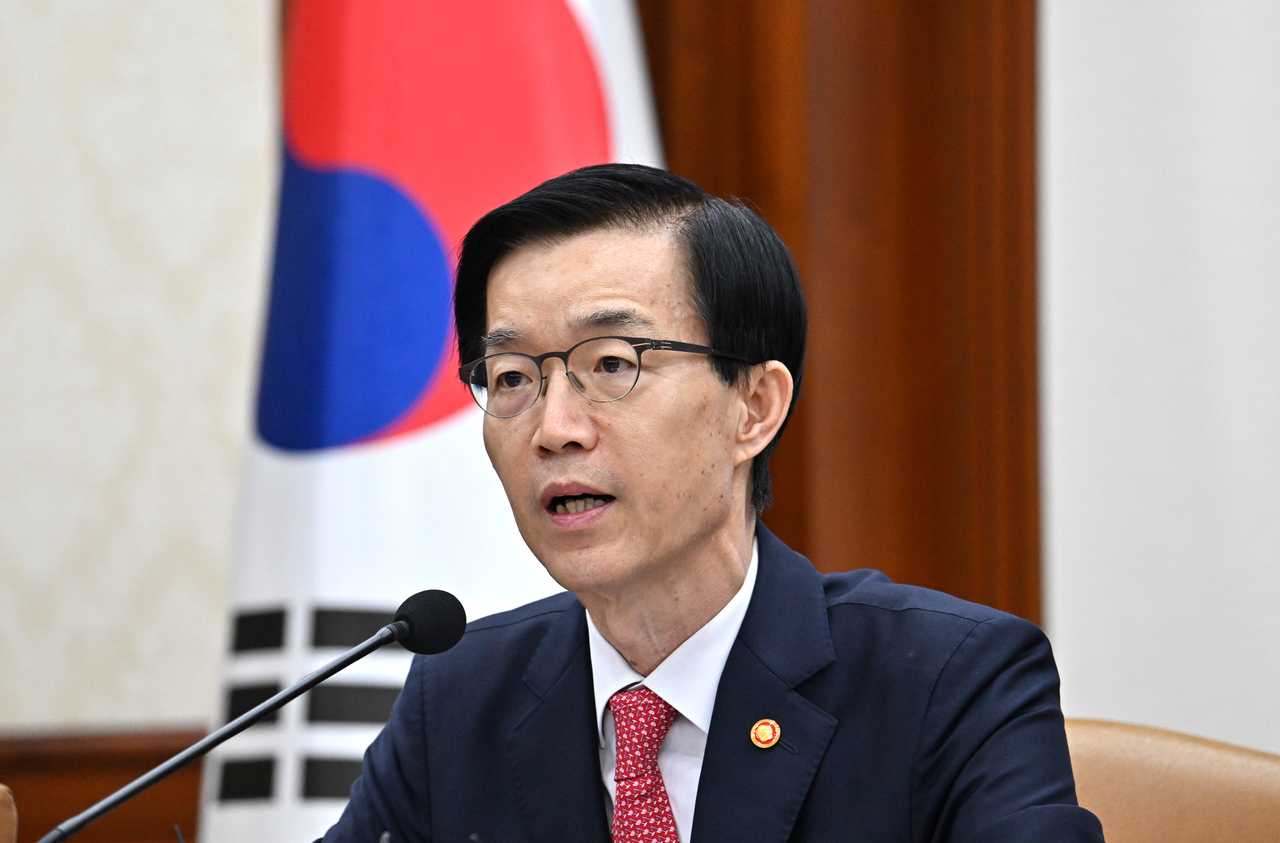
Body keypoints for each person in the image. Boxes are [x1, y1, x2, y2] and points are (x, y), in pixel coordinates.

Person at [321, 164, 1104, 842]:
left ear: (754, 407)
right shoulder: (458, 699)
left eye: (612, 362)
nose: (554, 428)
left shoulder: (950, 683)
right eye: (515, 378)